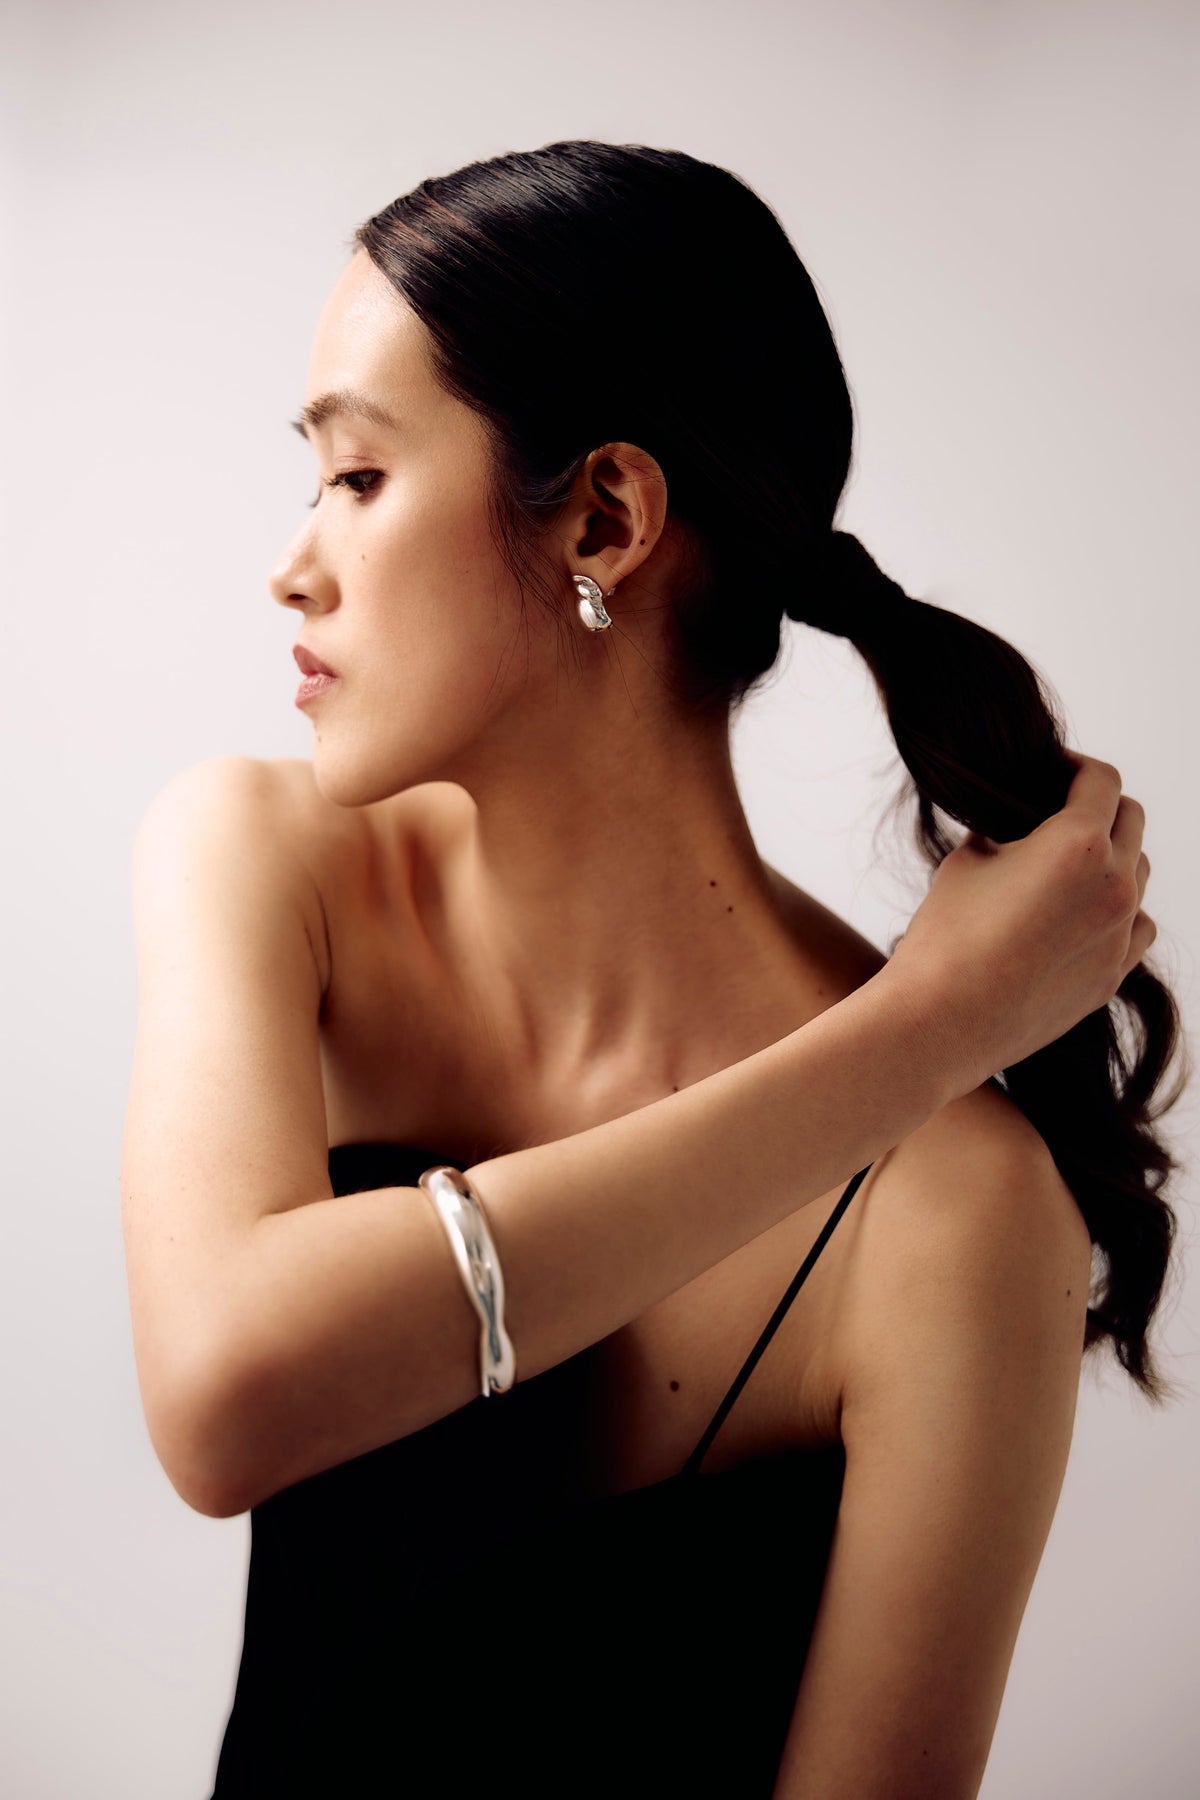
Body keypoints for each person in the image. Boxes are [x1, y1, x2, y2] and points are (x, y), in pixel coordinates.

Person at [119, 142, 1182, 1798]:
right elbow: (223, 1399)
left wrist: (923, 1061)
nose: (293, 563)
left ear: (605, 519)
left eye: (360, 477)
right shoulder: (270, 863)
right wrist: (918, 1036)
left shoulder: (962, 1219)